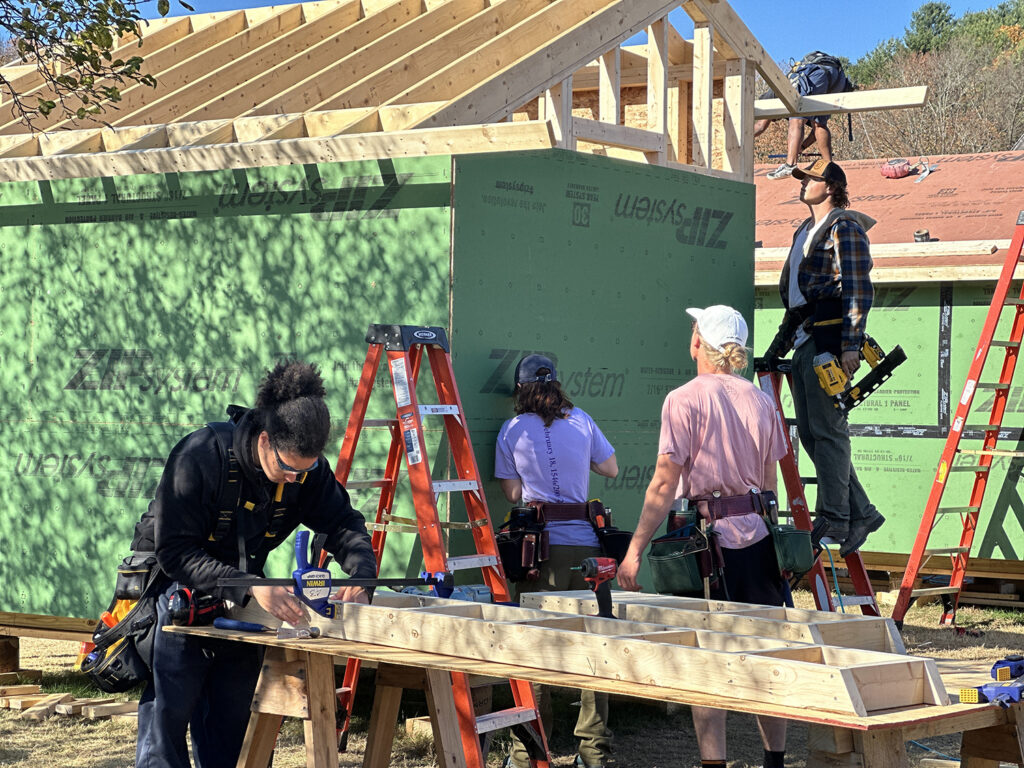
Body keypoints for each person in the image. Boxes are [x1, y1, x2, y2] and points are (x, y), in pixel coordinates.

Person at [132, 360, 376, 768]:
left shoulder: (305, 471)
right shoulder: (200, 456)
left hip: (243, 605)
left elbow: (343, 523)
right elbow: (175, 552)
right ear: (264, 441)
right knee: (165, 726)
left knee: (234, 729)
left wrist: (362, 572)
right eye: (288, 468)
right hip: (179, 592)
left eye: (307, 469)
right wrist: (251, 584)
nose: (297, 479)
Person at [617, 305, 789, 768]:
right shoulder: (762, 401)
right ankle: (775, 761)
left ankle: (714, 764)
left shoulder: (684, 398)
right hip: (758, 541)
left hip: (710, 545)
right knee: (767, 652)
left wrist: (634, 551)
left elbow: (663, 483)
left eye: (693, 331)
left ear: (700, 344)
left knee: (704, 657)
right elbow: (769, 483)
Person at [495, 354, 619, 768]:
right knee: (594, 644)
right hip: (588, 547)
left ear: (520, 391)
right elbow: (611, 468)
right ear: (557, 386)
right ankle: (593, 752)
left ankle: (528, 752)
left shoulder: (512, 429)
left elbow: (513, 495)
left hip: (540, 552)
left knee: (534, 645)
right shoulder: (581, 419)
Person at [763, 159, 886, 557]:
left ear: (830, 186)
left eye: (811, 179)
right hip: (806, 341)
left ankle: (836, 516)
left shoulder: (844, 228)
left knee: (829, 433)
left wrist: (850, 345)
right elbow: (797, 304)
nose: (803, 185)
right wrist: (775, 350)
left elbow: (858, 289)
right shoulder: (805, 230)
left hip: (830, 342)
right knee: (815, 435)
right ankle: (861, 511)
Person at [755, 51, 855, 180]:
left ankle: (790, 165)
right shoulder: (789, 86)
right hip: (836, 79)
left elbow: (759, 126)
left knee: (796, 116)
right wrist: (801, 147)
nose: (775, 120)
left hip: (814, 73)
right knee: (819, 124)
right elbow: (816, 132)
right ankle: (829, 167)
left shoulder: (771, 98)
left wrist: (739, 138)